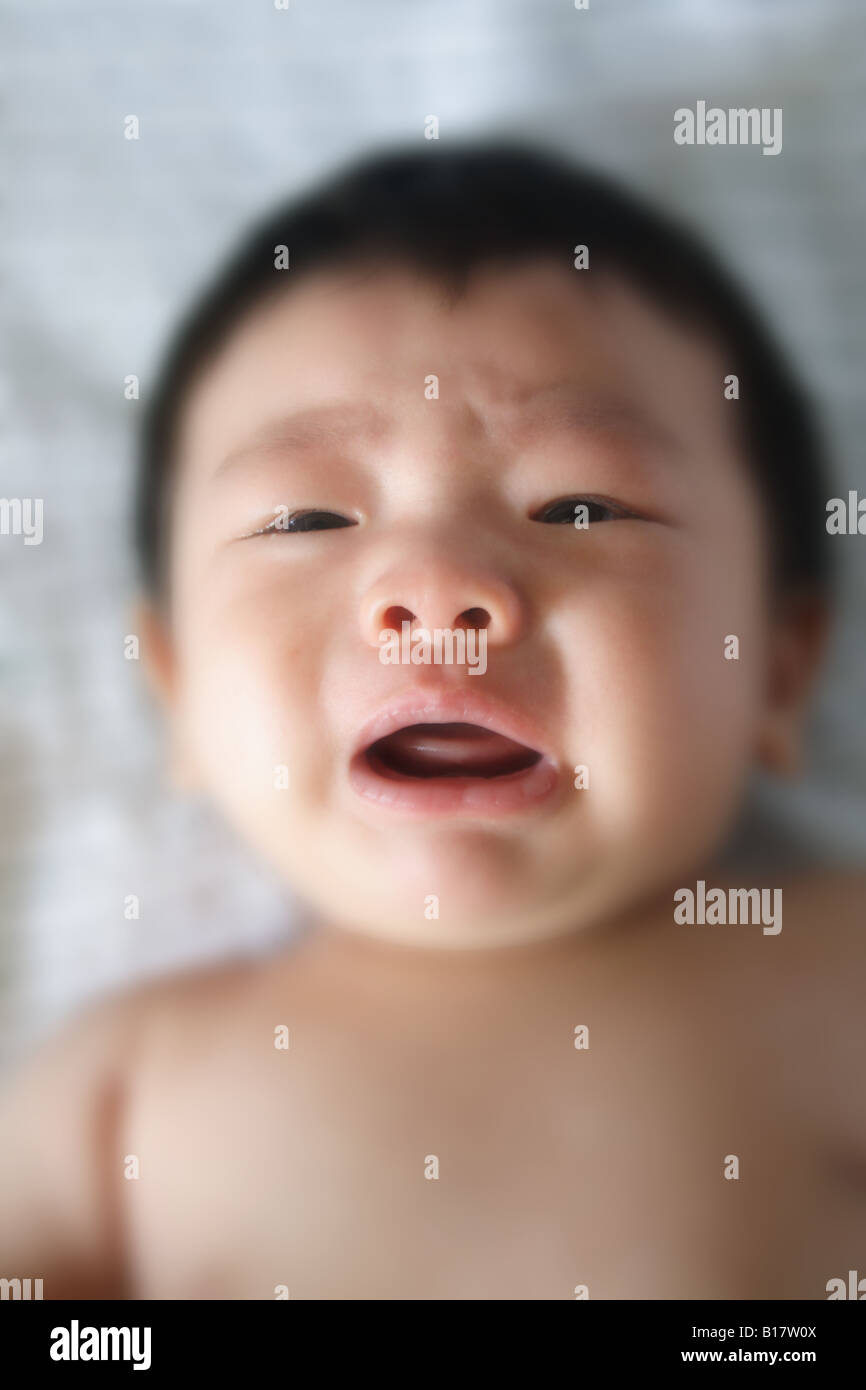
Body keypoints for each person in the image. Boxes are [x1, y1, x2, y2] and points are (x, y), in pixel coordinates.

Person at [1, 143, 863, 1299]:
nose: (437, 586)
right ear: (181, 694)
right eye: (304, 516)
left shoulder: (827, 968)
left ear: (772, 666)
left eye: (578, 503)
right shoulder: (119, 1087)